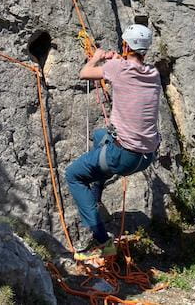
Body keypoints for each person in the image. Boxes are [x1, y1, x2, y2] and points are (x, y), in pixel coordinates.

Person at [66, 24, 161, 260]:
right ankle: (96, 198)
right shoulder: (154, 73)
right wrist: (118, 61)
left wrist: (97, 57)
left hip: (124, 155)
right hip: (146, 155)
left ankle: (104, 241)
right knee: (100, 136)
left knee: (73, 175)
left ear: (126, 45)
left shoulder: (117, 68)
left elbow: (85, 73)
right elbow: (130, 72)